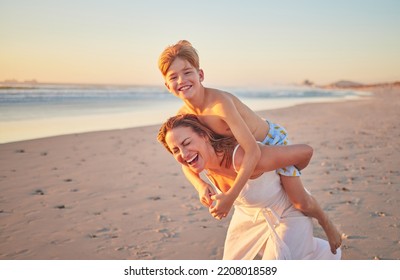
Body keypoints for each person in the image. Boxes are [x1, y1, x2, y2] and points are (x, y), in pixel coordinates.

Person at [158, 40, 342, 253]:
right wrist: (200, 184)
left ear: (200, 75)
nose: (182, 80)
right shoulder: (184, 116)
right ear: (167, 85)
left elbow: (254, 152)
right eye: (173, 77)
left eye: (187, 72)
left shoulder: (220, 104)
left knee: (300, 202)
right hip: (247, 150)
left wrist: (230, 198)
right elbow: (185, 158)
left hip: (269, 142)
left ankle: (326, 223)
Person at [157, 114, 341, 260]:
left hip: (288, 213)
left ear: (204, 136)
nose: (183, 154)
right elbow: (185, 164)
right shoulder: (198, 159)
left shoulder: (243, 158)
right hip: (249, 215)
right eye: (175, 150)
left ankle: (321, 242)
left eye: (186, 143)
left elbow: (305, 151)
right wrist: (200, 185)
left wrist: (286, 171)